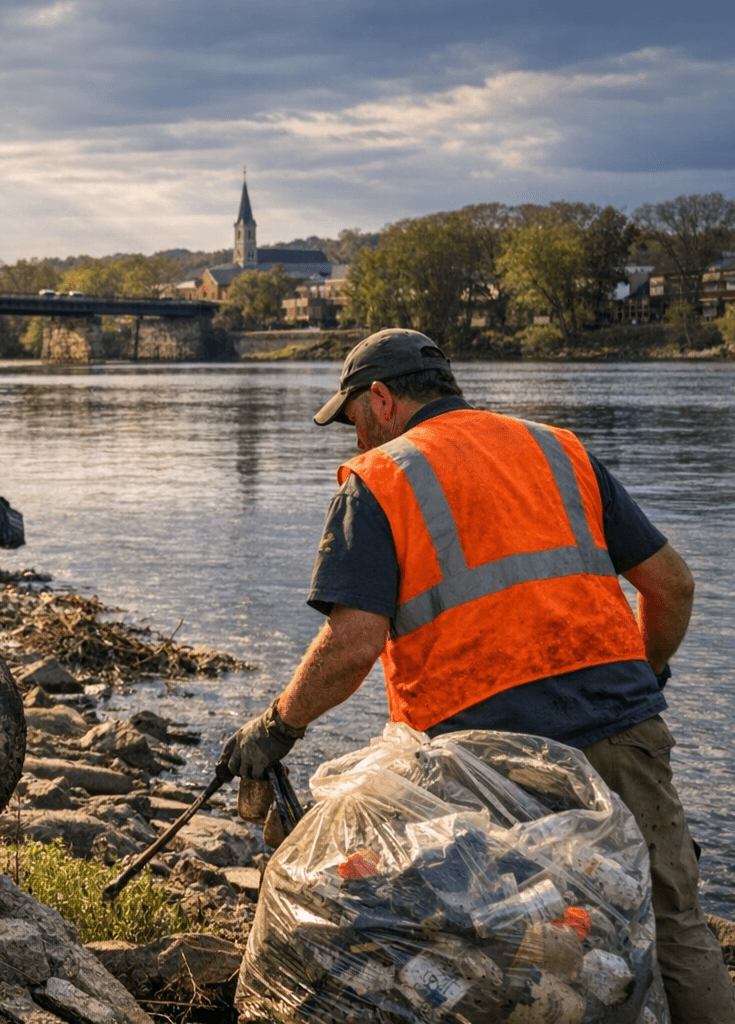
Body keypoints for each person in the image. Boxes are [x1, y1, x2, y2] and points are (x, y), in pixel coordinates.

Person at [220, 328, 735, 1022]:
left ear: (380, 398)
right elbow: (672, 585)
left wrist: (277, 727)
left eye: (352, 420)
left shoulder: (380, 479)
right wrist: (644, 677)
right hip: (623, 731)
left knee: (488, 940)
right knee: (673, 919)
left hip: (482, 764)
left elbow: (352, 644)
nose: (354, 437)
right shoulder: (559, 449)